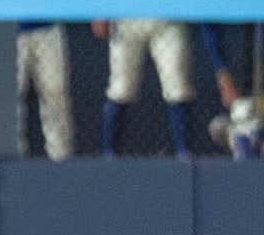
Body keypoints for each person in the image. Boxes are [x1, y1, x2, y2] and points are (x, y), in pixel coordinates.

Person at [95, 12, 237, 158]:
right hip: (127, 17)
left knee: (178, 88)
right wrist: (101, 12)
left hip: (168, 17)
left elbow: (206, 14)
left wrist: (222, 72)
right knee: (121, 89)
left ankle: (183, 152)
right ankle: (109, 154)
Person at [18, 22, 74, 161]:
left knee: (55, 94)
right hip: (6, 28)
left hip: (47, 25)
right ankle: (12, 163)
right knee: (8, 100)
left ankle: (61, 161)